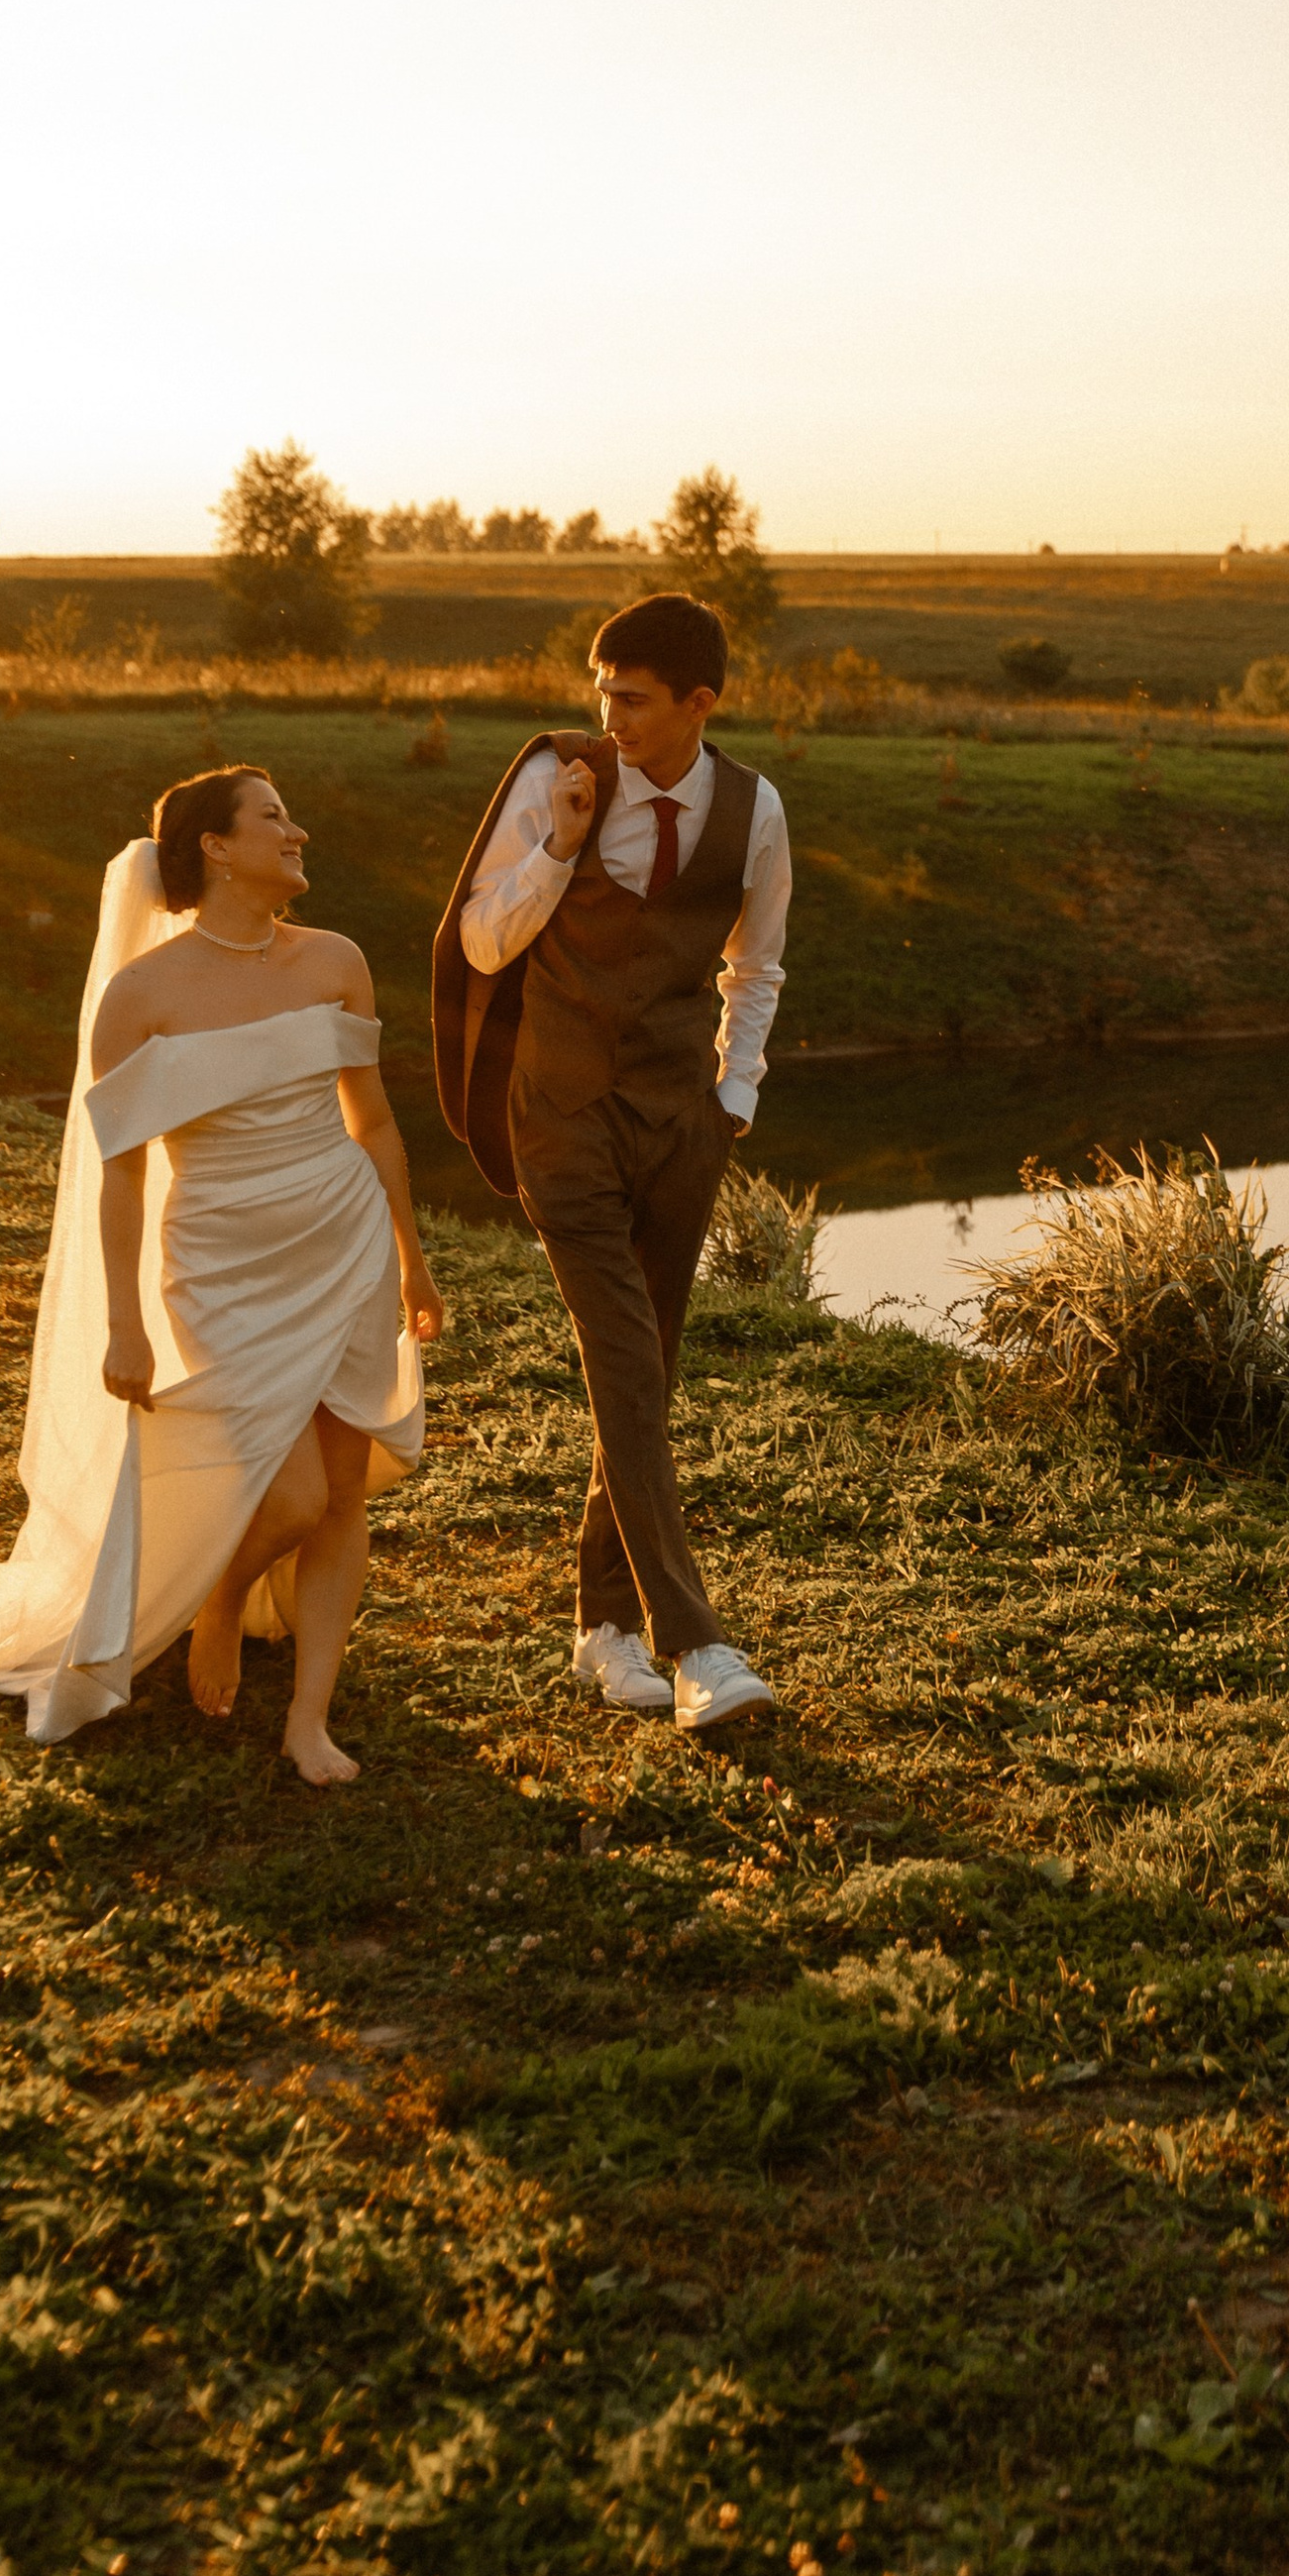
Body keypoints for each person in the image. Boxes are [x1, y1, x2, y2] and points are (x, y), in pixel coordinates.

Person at [0, 766, 445, 1780]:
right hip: (223, 1261)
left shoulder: (337, 959)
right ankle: (218, 1598)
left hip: (343, 1245)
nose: (296, 832)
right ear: (213, 844)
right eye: (272, 817)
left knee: (342, 1490)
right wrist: (124, 1323)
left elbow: (371, 1119)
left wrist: (412, 1260)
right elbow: (121, 1182)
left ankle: (308, 1719)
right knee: (289, 1495)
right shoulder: (143, 995)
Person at [434, 591, 790, 1739]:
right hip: (563, 1115)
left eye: (631, 698)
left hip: (681, 1119)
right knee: (625, 1361)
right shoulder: (556, 777)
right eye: (600, 691)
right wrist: (561, 842)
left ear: (700, 702)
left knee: (645, 1372)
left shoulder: (755, 808)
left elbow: (757, 966)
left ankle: (600, 1627)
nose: (608, 716)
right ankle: (697, 1646)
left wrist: (731, 1099)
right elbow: (481, 939)